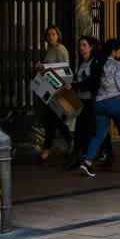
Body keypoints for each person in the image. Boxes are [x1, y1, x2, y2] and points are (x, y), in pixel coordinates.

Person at [78, 38, 120, 176]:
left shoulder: (96, 62)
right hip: (116, 103)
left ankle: (87, 162)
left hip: (99, 104)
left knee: (98, 135)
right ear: (113, 51)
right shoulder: (116, 64)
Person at [64, 35, 112, 170]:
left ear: (91, 47)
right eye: (80, 45)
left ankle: (81, 157)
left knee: (89, 129)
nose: (81, 48)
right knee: (88, 129)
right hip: (83, 100)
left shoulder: (95, 62)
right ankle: (103, 154)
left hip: (93, 101)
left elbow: (93, 82)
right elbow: (78, 79)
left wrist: (75, 86)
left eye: (84, 45)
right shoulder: (81, 62)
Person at [36, 25, 73, 164]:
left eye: (53, 34)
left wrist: (44, 67)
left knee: (51, 120)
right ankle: (71, 141)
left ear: (58, 35)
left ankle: (46, 150)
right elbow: (50, 69)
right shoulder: (50, 50)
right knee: (56, 120)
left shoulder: (60, 50)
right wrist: (42, 67)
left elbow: (63, 68)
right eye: (48, 34)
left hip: (59, 89)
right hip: (51, 89)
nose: (50, 37)